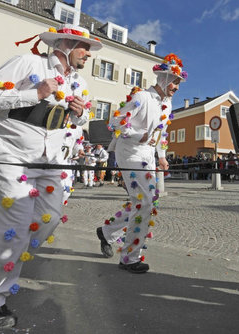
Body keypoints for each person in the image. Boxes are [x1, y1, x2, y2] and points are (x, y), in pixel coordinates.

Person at [0, 23, 102, 330]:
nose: (88, 54)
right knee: (13, 227)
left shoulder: (79, 82)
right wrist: (33, 93)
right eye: (84, 48)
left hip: (49, 160)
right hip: (11, 154)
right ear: (64, 43)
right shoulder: (28, 62)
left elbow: (83, 118)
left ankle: (0, 244)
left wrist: (79, 113)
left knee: (49, 217)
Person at [96, 53, 187, 273]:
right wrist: (138, 135)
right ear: (163, 79)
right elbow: (115, 122)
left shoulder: (167, 104)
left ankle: (108, 232)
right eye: (174, 81)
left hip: (147, 155)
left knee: (147, 202)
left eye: (178, 83)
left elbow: (162, 133)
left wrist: (162, 155)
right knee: (144, 201)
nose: (176, 86)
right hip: (129, 152)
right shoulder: (141, 98)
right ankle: (130, 257)